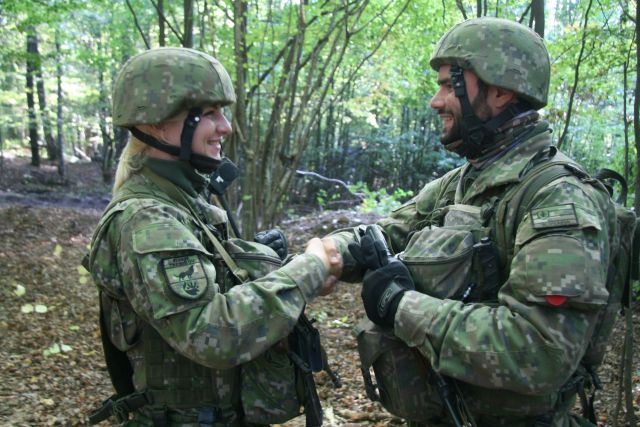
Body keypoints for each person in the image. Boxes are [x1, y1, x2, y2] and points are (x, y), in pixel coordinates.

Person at [328, 17, 618, 427]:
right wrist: (325, 256)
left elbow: (540, 351)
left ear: (500, 91)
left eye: (449, 86)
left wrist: (400, 305)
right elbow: (386, 232)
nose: (436, 101)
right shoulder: (463, 182)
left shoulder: (558, 198)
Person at [84, 47, 342, 426]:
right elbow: (210, 333)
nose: (225, 127)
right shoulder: (149, 220)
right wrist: (307, 271)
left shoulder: (184, 200)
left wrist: (268, 265)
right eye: (208, 114)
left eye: (222, 113)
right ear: (157, 123)